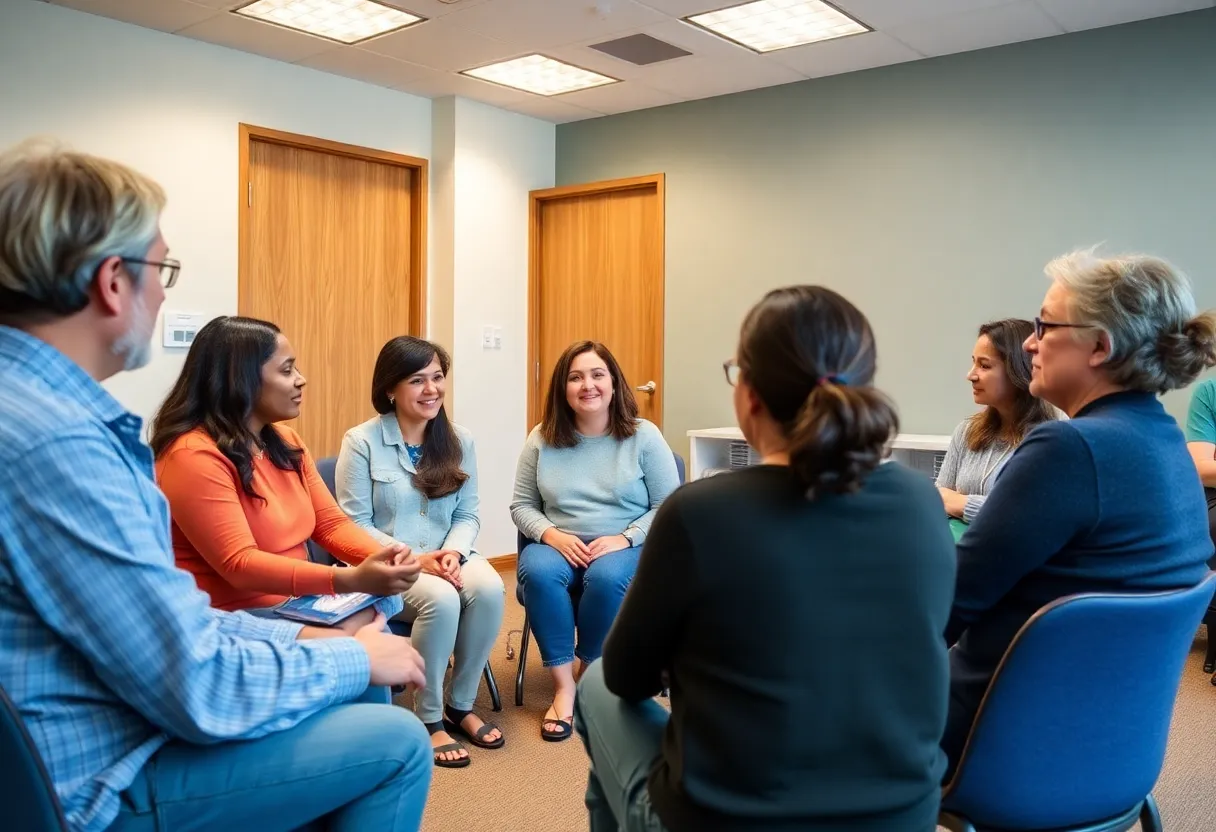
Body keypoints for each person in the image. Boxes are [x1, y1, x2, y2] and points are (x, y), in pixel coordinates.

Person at [0, 140, 432, 832]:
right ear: (113, 282)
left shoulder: (32, 409)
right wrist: (348, 651)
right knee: (398, 744)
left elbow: (181, 632)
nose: (163, 289)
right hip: (98, 779)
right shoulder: (61, 444)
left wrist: (326, 638)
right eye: (160, 268)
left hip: (123, 703)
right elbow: (195, 684)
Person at [573, 286, 957, 832]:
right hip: (901, 818)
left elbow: (630, 677)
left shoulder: (701, 511)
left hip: (730, 819)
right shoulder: (920, 501)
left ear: (748, 394)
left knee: (595, 682)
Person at [943, 249, 1216, 772]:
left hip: (998, 740)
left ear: (1099, 346)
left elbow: (950, 603)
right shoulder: (1168, 447)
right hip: (1110, 750)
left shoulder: (1067, 450)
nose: (1029, 343)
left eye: (1044, 326)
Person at [151, 316, 420, 650]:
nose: (300, 380)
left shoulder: (284, 440)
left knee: (376, 623)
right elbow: (239, 565)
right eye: (287, 370)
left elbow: (331, 525)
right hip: (231, 618)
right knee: (363, 643)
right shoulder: (192, 456)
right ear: (242, 380)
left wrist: (392, 558)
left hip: (295, 602)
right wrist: (347, 579)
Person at [337, 335, 506, 768]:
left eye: (437, 377)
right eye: (417, 380)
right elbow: (353, 525)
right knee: (444, 599)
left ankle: (460, 705)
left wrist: (451, 553)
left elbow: (468, 514)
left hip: (447, 558)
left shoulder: (459, 439)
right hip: (386, 564)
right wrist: (416, 558)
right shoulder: (361, 441)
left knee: (488, 589)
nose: (432, 389)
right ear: (390, 389)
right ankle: (429, 719)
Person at [510, 341, 680, 742]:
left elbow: (670, 506)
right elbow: (521, 506)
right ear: (562, 388)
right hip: (558, 543)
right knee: (537, 569)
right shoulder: (541, 438)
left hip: (626, 546)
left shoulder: (643, 436)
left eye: (597, 374)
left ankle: (590, 675)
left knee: (605, 577)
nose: (588, 385)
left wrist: (625, 538)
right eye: (575, 377)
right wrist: (551, 534)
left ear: (614, 382)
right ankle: (563, 687)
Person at [937, 319, 1056, 523]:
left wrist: (961, 503)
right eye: (973, 362)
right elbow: (938, 499)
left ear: (1018, 370)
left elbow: (1033, 515)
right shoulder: (967, 431)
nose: (970, 375)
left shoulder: (1053, 438)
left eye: (984, 365)